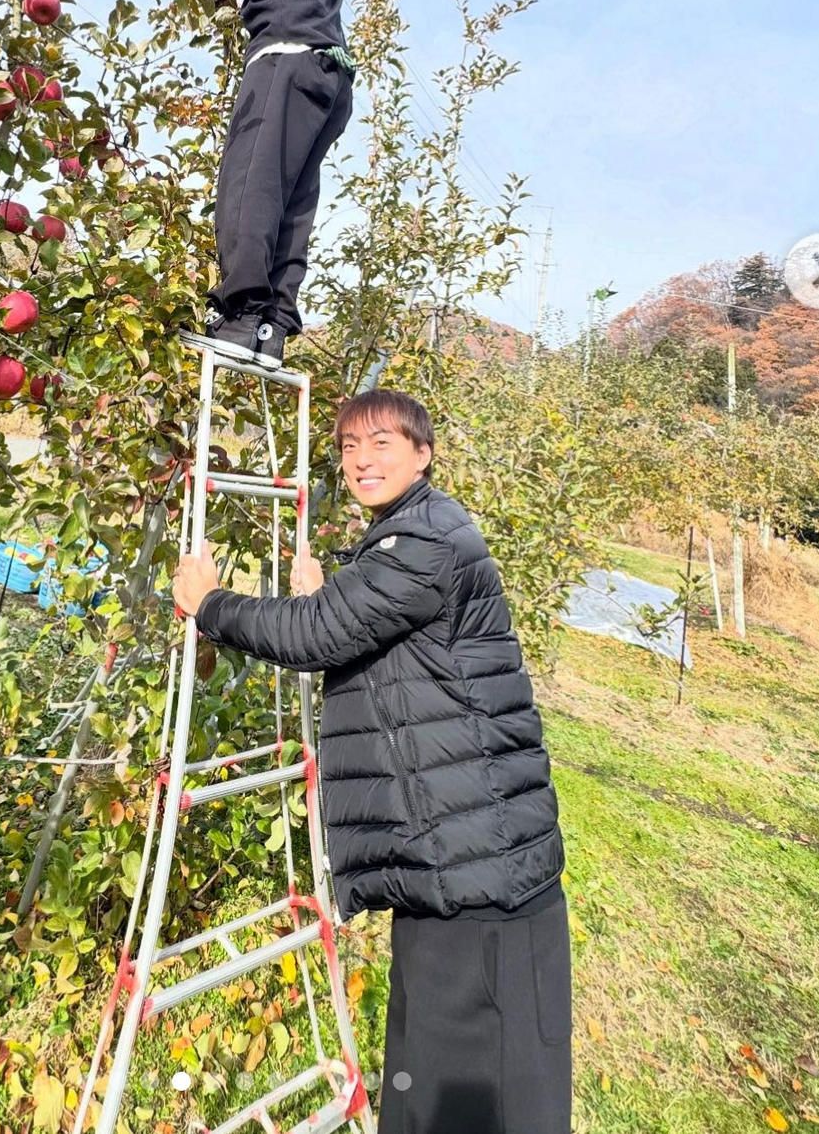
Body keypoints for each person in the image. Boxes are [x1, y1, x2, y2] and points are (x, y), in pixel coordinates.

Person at [172, 389, 571, 1134]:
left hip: (477, 874)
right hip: (456, 859)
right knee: (441, 1078)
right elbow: (366, 634)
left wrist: (210, 604)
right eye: (350, 447)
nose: (361, 460)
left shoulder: (423, 543)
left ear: (423, 454)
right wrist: (334, 596)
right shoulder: (410, 535)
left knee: (484, 1092)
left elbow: (318, 635)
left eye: (382, 443)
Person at [199, 0, 356, 367]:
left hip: (287, 60)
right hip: (323, 69)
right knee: (291, 200)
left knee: (249, 181)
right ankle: (272, 325)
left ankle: (241, 313)